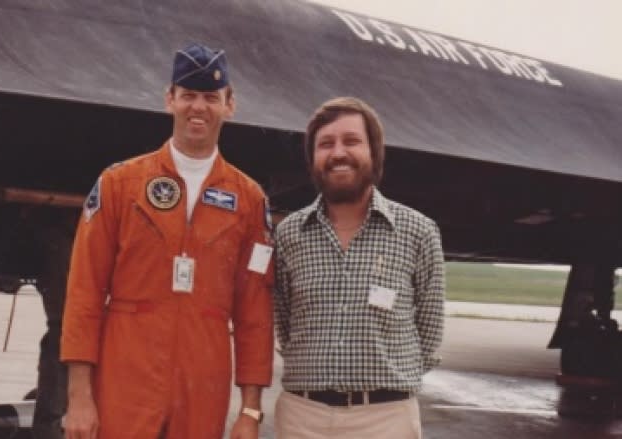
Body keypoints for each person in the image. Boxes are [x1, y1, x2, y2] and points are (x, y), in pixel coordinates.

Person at [60, 43, 274, 439]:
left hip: (202, 379)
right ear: (169, 99)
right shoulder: (120, 184)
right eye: (188, 95)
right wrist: (79, 397)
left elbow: (254, 315)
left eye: (211, 97)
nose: (199, 107)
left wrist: (250, 410)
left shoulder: (248, 200)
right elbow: (84, 293)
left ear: (230, 105)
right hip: (126, 374)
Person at [273, 97, 445, 438]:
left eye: (351, 141)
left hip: (385, 419)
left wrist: (386, 386)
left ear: (374, 152)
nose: (338, 153)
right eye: (325, 144)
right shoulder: (289, 234)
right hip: (302, 418)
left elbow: (429, 332)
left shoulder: (418, 231)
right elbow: (284, 324)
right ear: (313, 159)